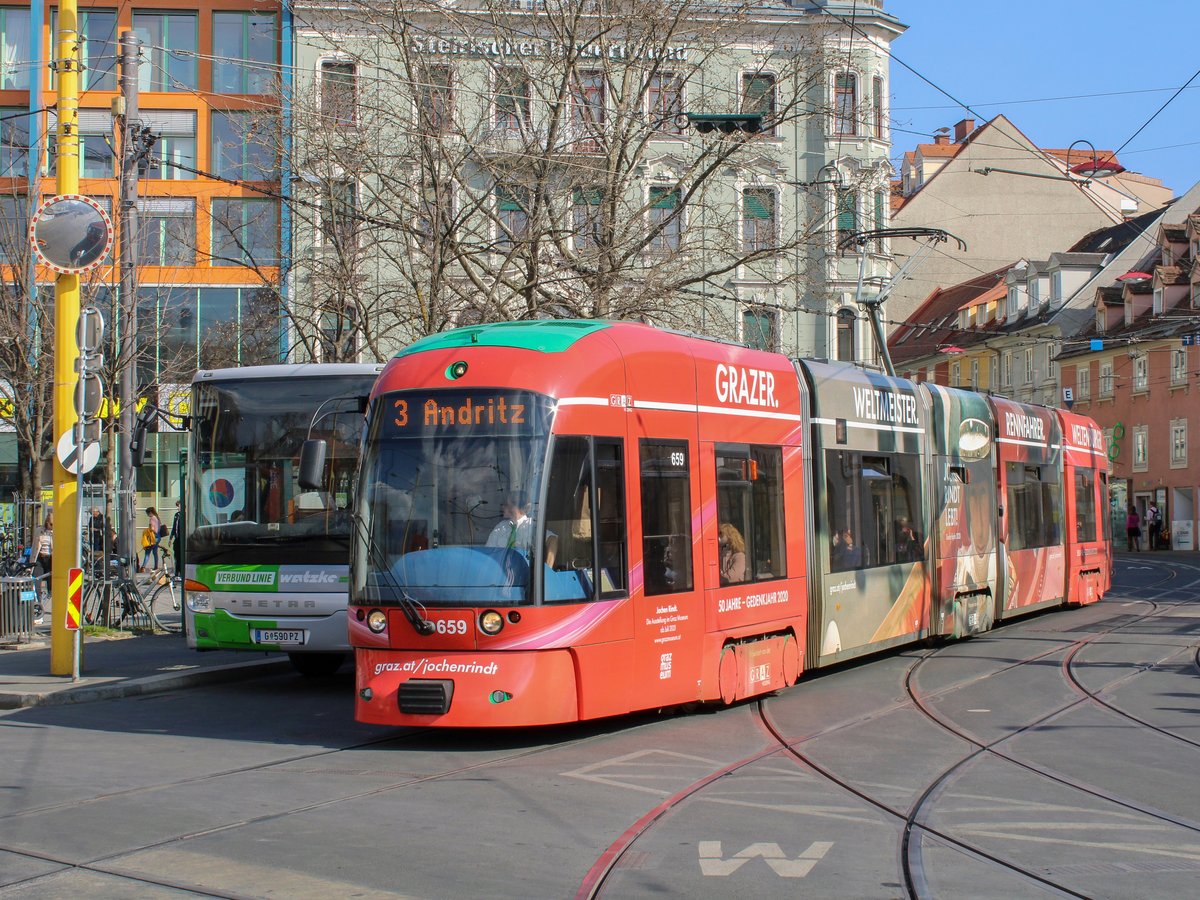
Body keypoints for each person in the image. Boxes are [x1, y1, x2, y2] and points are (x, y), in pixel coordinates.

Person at [169, 500, 182, 575]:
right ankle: (177, 572)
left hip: (182, 539)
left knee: (181, 556)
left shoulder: (185, 514)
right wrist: (171, 538)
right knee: (176, 555)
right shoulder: (176, 515)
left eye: (178, 506)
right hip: (177, 538)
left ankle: (180, 571)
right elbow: (174, 527)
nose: (177, 508)